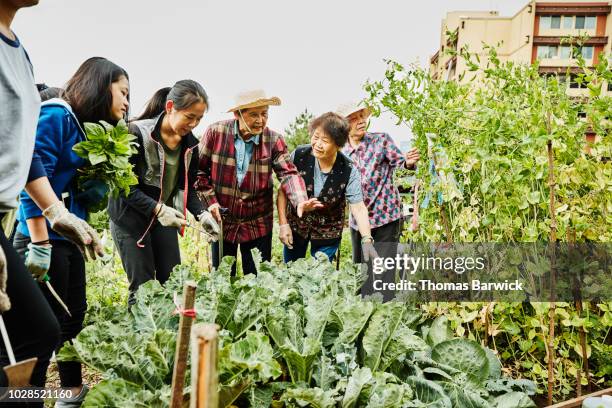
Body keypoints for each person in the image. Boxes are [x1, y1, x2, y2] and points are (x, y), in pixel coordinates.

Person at [0, 2, 101, 407]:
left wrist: (56, 212)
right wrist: (40, 237)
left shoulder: (17, 50)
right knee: (32, 334)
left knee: (36, 336)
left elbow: (26, 151)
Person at [13, 56, 127, 406]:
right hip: (41, 239)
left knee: (71, 318)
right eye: (122, 92)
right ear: (99, 85)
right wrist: (41, 242)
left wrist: (85, 233)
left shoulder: (81, 128)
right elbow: (31, 177)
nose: (126, 102)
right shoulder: (57, 114)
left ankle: (70, 394)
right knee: (39, 332)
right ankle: (25, 399)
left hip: (66, 241)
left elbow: (67, 195)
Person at [108, 80, 219, 304]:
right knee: (143, 289)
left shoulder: (191, 146)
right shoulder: (136, 133)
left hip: (164, 219)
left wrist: (202, 214)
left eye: (199, 119)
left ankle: (168, 336)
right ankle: (141, 338)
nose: (194, 124)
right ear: (170, 108)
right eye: (189, 116)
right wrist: (157, 208)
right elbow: (123, 187)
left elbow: (187, 186)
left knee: (172, 282)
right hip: (130, 220)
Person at [196, 89, 320, 275]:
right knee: (221, 280)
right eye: (254, 114)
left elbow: (289, 173)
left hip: (258, 223)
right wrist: (210, 202)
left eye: (264, 114)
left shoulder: (274, 140)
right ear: (237, 114)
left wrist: (300, 200)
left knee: (257, 281)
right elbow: (199, 172)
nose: (260, 120)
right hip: (222, 220)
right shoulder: (216, 133)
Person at [277, 112, 377, 263]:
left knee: (319, 278)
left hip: (328, 233)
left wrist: (367, 238)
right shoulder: (299, 155)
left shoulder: (349, 169)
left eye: (325, 140)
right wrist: (283, 224)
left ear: (338, 145)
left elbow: (358, 207)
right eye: (315, 137)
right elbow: (283, 191)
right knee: (291, 274)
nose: (317, 144)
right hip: (296, 228)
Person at [337, 102, 420, 262]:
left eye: (362, 116)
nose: (361, 121)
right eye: (354, 118)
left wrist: (408, 162)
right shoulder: (341, 153)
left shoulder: (381, 140)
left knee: (385, 274)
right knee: (362, 274)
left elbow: (401, 165)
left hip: (386, 218)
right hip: (359, 223)